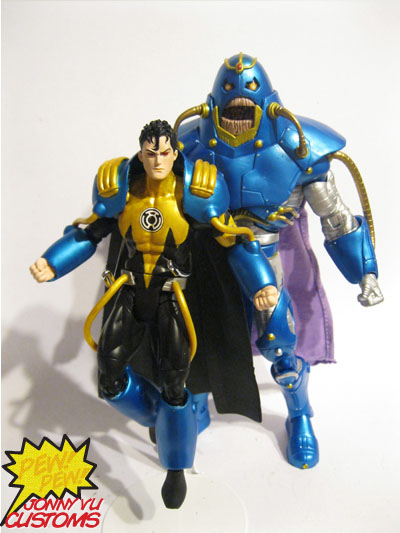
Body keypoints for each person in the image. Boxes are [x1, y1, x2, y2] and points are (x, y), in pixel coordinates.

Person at [30, 119, 276, 508]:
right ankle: (157, 419)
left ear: (175, 153)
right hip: (128, 292)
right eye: (150, 153)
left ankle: (176, 467)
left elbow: (235, 241)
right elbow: (89, 233)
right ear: (141, 154)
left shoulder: (198, 190)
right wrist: (53, 262)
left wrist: (261, 282)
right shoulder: (120, 187)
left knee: (176, 384)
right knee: (109, 377)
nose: (157, 160)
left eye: (164, 152)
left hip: (172, 297)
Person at [175, 53, 383, 470]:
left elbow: (336, 218)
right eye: (230, 108)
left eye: (247, 109)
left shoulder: (301, 148)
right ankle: (197, 401)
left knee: (281, 349)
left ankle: (300, 414)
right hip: (206, 259)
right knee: (195, 337)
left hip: (266, 260)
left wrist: (366, 272)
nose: (238, 118)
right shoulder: (189, 144)